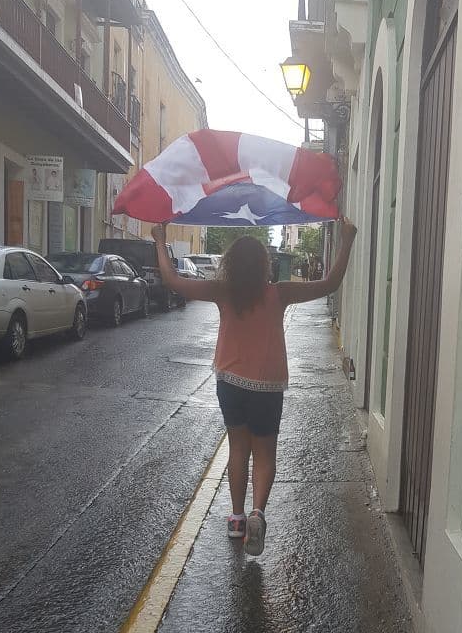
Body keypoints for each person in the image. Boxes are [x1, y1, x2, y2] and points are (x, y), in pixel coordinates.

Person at [150, 218, 357, 556]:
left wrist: (160, 239)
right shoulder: (281, 293)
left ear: (230, 264)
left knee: (237, 450)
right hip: (268, 385)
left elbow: (173, 281)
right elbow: (330, 283)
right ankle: (258, 513)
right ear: (264, 264)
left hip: (230, 383)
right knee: (264, 453)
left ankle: (236, 519)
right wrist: (347, 239)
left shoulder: (222, 292)